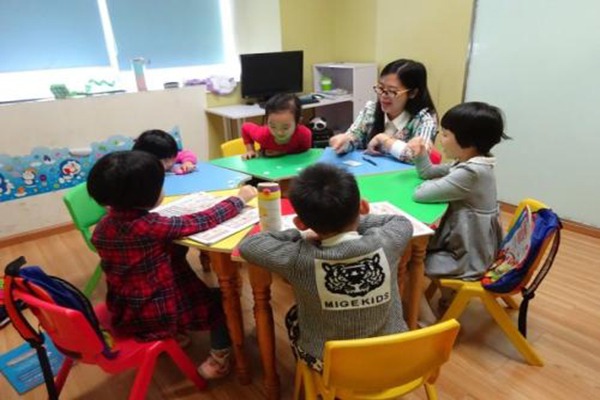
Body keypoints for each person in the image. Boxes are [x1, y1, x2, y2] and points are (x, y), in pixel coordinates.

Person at [87, 150, 257, 379]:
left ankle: (175, 334)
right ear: (145, 196)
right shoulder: (149, 226)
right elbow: (203, 219)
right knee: (221, 299)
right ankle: (219, 357)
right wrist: (239, 199)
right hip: (156, 311)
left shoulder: (103, 227)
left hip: (125, 308)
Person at [239, 163, 413, 372]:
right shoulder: (387, 241)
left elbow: (249, 246)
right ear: (363, 207)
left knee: (293, 316)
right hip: (394, 354)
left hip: (332, 366)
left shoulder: (299, 258)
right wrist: (356, 218)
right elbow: (401, 222)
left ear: (300, 222)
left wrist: (301, 234)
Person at [410, 102, 509, 308]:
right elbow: (428, 173)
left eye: (446, 135)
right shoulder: (472, 161)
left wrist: (435, 183)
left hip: (469, 256)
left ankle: (424, 318)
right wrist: (420, 154)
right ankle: (448, 298)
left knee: (412, 262)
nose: (441, 139)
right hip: (467, 244)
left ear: (467, 141)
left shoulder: (471, 172)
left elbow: (421, 194)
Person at [329, 59, 438, 163]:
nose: (383, 96)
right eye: (380, 88)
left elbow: (419, 157)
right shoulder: (371, 110)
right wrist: (344, 141)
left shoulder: (424, 119)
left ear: (412, 93)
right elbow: (355, 136)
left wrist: (383, 139)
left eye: (392, 91)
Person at [241, 93, 312, 159]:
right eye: (273, 127)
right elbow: (245, 127)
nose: (279, 132)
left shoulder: (304, 135)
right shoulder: (263, 135)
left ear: (298, 122)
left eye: (285, 127)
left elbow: (304, 150)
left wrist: (283, 152)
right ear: (267, 122)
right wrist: (250, 150)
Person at [133, 129, 197, 175]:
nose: (170, 164)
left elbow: (187, 153)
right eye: (166, 161)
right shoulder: (137, 168)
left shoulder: (168, 154)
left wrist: (187, 162)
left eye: (173, 158)